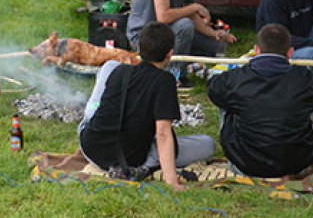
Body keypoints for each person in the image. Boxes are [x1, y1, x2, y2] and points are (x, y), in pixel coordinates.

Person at [79, 22, 215, 191]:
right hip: (130, 159)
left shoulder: (120, 71)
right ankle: (150, 164)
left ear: (138, 48)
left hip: (91, 147)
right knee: (208, 145)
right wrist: (172, 181)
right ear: (170, 54)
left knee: (110, 66)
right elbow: (163, 134)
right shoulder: (164, 82)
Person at [208, 24, 313, 178]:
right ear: (290, 52)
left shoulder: (233, 80)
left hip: (245, 166)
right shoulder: (308, 81)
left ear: (256, 50)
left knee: (226, 101)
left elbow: (212, 88)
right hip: (298, 165)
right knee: (309, 102)